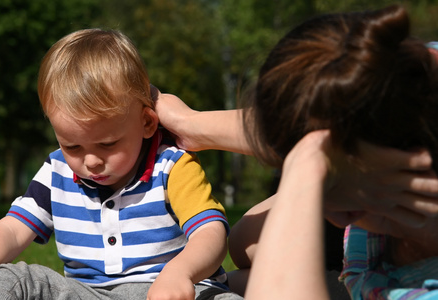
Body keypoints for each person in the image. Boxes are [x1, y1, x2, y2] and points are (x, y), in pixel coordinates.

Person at [155, 6, 438, 299]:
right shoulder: (412, 79)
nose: (336, 217)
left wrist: (307, 167)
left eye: (330, 178)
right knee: (242, 243)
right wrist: (191, 123)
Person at [0, 29, 242, 300]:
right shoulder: (57, 171)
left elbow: (210, 232)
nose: (90, 161)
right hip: (87, 293)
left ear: (146, 123)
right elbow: (11, 230)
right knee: (8, 279)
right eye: (72, 145)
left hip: (169, 291)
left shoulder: (172, 165)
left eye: (108, 144)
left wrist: (181, 273)